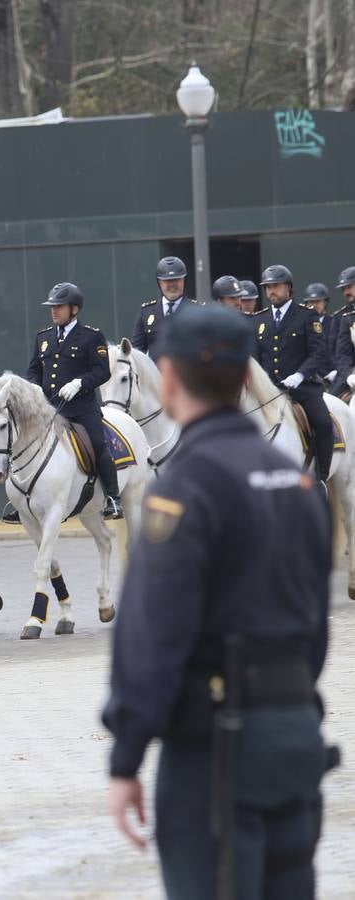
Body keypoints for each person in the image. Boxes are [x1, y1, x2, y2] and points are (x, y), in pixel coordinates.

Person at [103, 302, 334, 899]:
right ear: (243, 378)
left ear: (171, 378)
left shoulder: (185, 486)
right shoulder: (302, 484)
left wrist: (126, 756)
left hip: (216, 749)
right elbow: (316, 627)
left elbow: (152, 634)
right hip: (294, 736)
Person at [25, 281, 122, 519]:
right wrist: (35, 388)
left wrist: (80, 383)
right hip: (50, 410)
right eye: (52, 307)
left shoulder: (91, 336)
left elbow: (102, 372)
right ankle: (23, 501)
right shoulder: (43, 338)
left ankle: (113, 497)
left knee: (98, 445)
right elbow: (33, 371)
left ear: (74, 309)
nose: (54, 311)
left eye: (60, 306)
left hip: (81, 409)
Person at [256, 264, 333, 488]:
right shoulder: (259, 320)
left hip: (303, 387)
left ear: (288, 288)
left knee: (323, 422)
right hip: (269, 390)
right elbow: (254, 358)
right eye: (267, 287)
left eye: (276, 286)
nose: (271, 291)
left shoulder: (306, 315)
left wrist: (300, 375)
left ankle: (322, 478)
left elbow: (318, 352)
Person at [131, 256, 201, 355]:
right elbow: (136, 352)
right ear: (159, 282)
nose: (172, 285)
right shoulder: (146, 312)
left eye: (176, 279)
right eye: (167, 281)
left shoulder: (198, 311)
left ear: (184, 280)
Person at [331, 267, 355, 397]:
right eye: (343, 289)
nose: (346, 292)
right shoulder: (346, 318)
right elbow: (342, 353)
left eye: (349, 287)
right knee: (329, 403)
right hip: (353, 373)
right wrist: (349, 374)